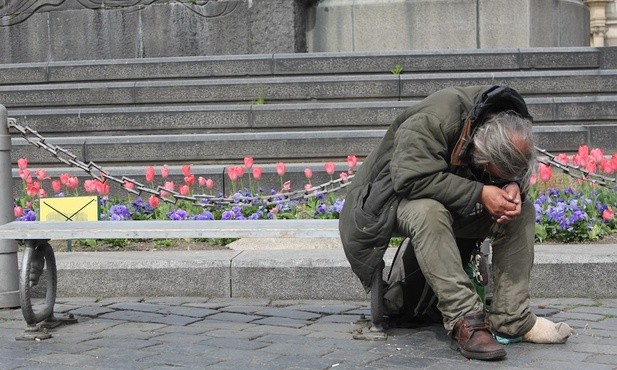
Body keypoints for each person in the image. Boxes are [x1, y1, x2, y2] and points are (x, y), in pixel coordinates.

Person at [339, 85, 572, 361]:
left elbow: (506, 172)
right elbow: (409, 178)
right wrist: (480, 193)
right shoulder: (436, 117)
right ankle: (465, 319)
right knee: (429, 212)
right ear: (481, 151)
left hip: (442, 197)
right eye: (490, 174)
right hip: (383, 201)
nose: (492, 179)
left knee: (520, 213)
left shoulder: (506, 121)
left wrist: (512, 189)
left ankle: (512, 318)